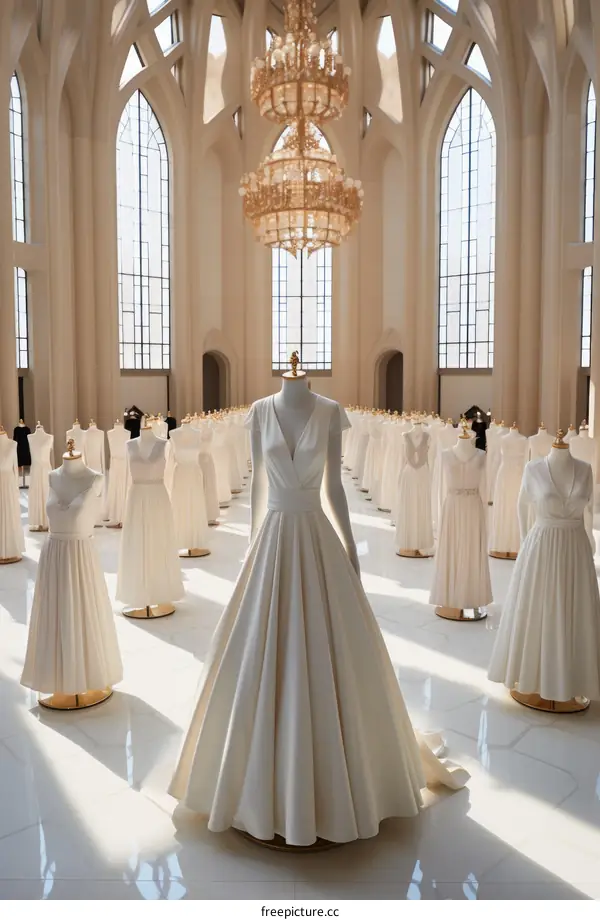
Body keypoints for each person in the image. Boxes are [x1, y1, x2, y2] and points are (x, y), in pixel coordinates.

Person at [169, 357, 467, 848]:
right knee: (262, 652)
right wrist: (250, 542)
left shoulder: (329, 410)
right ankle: (257, 781)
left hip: (316, 534)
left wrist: (350, 545)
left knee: (328, 648)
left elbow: (334, 488)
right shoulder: (262, 411)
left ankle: (340, 781)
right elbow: (261, 485)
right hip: (272, 537)